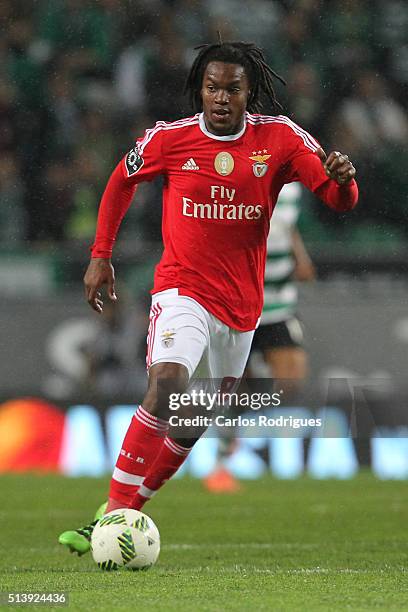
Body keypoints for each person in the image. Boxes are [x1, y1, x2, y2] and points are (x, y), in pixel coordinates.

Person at [59, 41, 358, 555]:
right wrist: (100, 254)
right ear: (200, 89)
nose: (221, 98)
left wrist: (343, 183)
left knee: (195, 420)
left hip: (242, 306)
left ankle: (129, 510)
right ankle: (113, 513)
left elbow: (334, 196)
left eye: (232, 89)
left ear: (250, 93)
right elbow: (120, 180)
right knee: (168, 382)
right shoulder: (170, 140)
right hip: (182, 288)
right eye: (212, 87)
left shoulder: (280, 139)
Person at [203, 181, 315, 493]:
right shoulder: (241, 176)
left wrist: (299, 255)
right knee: (231, 386)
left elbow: (284, 225)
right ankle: (222, 460)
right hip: (238, 302)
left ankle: (243, 397)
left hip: (279, 303)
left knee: (291, 380)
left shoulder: (292, 184)